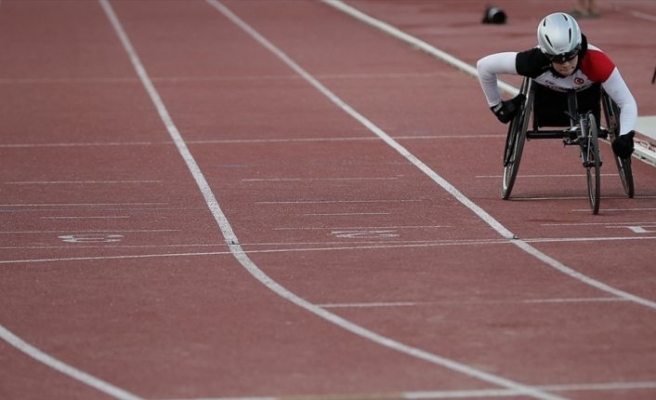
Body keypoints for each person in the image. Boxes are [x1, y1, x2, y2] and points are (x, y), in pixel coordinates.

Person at [476, 12, 637, 159]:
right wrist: (497, 106)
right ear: (546, 56)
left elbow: (627, 102)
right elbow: (484, 66)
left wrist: (625, 135)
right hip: (547, 96)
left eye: (570, 57)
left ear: (579, 49)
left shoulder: (597, 62)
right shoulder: (532, 61)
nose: (566, 64)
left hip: (588, 95)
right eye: (558, 60)